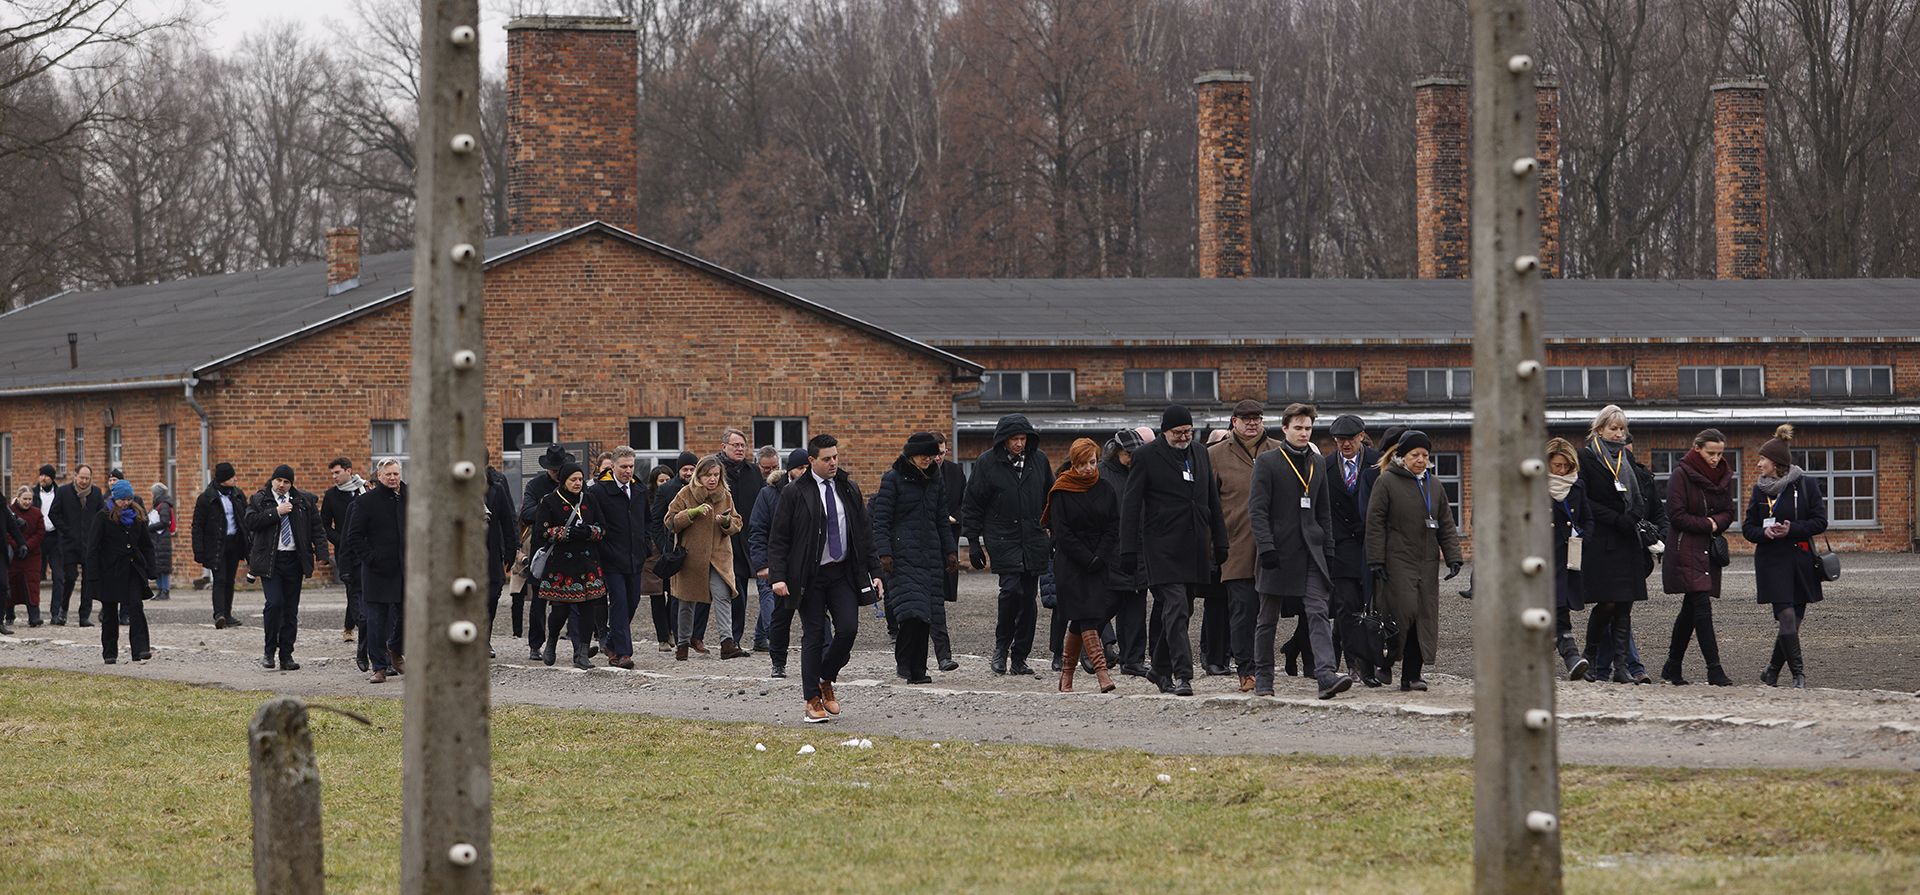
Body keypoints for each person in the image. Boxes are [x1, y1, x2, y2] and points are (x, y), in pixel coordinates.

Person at [768, 433, 882, 723]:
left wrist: (876, 572)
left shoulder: (848, 488)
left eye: (835, 457)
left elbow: (864, 534)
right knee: (814, 635)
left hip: (842, 573)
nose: (833, 463)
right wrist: (778, 577)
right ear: (811, 461)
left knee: (848, 629)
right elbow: (779, 538)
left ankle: (825, 677)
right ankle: (812, 700)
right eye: (826, 459)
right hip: (809, 576)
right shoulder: (795, 492)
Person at [1121, 405, 1229, 697]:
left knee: (1183, 610)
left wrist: (1220, 541)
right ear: (1164, 432)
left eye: (1188, 432)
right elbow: (1131, 506)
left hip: (1194, 547)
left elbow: (1211, 502)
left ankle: (1157, 667)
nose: (1183, 437)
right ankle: (1183, 674)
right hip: (1161, 548)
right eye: (1178, 432)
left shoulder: (1200, 454)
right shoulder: (1145, 457)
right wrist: (1128, 549)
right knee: (1177, 608)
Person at [1248, 403, 1352, 699]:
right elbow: (1257, 511)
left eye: (1308, 428)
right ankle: (1264, 676)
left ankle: (1325, 675)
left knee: (1318, 611)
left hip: (1311, 552)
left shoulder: (1318, 463)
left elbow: (1324, 512)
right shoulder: (1267, 462)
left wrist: (1328, 550)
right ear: (1284, 429)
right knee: (1267, 618)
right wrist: (1266, 547)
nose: (1304, 433)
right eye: (1298, 428)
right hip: (1277, 552)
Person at [1365, 430, 1462, 691]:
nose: (1420, 459)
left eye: (1425, 455)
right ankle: (1384, 663)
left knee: (1423, 617)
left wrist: (1453, 557)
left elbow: (1446, 524)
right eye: (1414, 455)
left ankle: (1411, 675)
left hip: (1427, 562)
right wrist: (1376, 559)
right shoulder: (1386, 483)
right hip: (1397, 559)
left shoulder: (1435, 485)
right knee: (1402, 612)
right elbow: (1374, 523)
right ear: (1402, 457)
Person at [962, 413, 1053, 676]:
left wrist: (1054, 531)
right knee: (1010, 591)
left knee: (1028, 599)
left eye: (1023, 438)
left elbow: (1052, 497)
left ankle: (1020, 656)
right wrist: (973, 542)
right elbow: (973, 503)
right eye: (1014, 438)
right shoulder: (987, 463)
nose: (1019, 444)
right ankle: (1001, 649)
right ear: (1003, 440)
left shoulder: (1039, 461)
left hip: (1033, 537)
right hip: (1003, 537)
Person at [870, 432, 958, 684]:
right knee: (911, 613)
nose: (928, 460)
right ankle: (905, 663)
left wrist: (949, 550)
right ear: (911, 456)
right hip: (901, 556)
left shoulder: (935, 480)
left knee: (926, 615)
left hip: (929, 554)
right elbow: (881, 520)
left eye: (931, 456)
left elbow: (941, 517)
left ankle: (918, 669)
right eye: (923, 456)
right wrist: (884, 553)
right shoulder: (893, 480)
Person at [1576, 405, 1655, 684]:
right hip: (1602, 540)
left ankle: (1621, 668)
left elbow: (1639, 495)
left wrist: (1633, 516)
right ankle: (1590, 656)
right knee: (1607, 603)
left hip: (1626, 540)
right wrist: (1615, 518)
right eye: (1613, 428)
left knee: (1624, 605)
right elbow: (1583, 498)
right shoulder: (1586, 457)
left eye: (1622, 429)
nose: (1619, 433)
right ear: (1599, 430)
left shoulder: (1626, 458)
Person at [1743, 424, 1826, 688]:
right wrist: (1763, 534)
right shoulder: (1759, 490)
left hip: (1801, 562)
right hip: (1771, 563)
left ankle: (1771, 671)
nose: (1758, 464)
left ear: (1776, 463)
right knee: (1787, 618)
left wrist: (1793, 529)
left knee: (1793, 624)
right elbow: (1747, 528)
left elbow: (1820, 521)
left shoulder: (1806, 485)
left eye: (1763, 459)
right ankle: (1799, 675)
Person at [1207, 399, 1282, 692]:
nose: (1252, 423)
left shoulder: (1278, 450)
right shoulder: (1214, 455)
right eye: (1246, 418)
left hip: (1272, 547)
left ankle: (1264, 668)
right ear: (1233, 421)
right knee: (1241, 611)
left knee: (1269, 612)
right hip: (1234, 545)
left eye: (1257, 418)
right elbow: (1207, 504)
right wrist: (1212, 546)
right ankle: (1246, 670)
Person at [1043, 438, 1119, 693]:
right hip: (1071, 563)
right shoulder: (1062, 490)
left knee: (1081, 619)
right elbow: (1061, 533)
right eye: (1083, 464)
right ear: (1073, 464)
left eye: (1093, 462)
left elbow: (1112, 525)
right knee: (1086, 615)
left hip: (1099, 561)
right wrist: (1087, 557)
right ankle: (1102, 673)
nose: (1088, 468)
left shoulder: (1105, 489)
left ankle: (1066, 676)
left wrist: (1100, 555)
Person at [1662, 428, 1737, 686]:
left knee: (1690, 610)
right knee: (1701, 607)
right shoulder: (1681, 475)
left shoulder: (1723, 476)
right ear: (1697, 448)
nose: (1716, 458)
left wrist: (1714, 524)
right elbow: (1675, 514)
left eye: (1719, 453)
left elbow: (1729, 511)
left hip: (1707, 550)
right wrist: (1709, 524)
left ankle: (1672, 666)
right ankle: (1714, 669)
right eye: (1711, 453)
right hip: (1685, 549)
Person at [245, 465, 327, 671]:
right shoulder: (259, 499)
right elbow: (250, 521)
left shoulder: (303, 501)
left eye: (286, 482)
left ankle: (286, 655)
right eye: (278, 480)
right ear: (272, 480)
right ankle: (269, 651)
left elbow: (317, 529)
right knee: (274, 603)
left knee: (290, 609)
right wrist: (275, 512)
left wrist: (322, 553)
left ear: (292, 484)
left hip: (294, 560)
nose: (282, 485)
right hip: (270, 561)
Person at [667, 456, 746, 660]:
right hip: (691, 558)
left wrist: (727, 522)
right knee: (687, 601)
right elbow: (670, 522)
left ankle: (727, 643)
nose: (712, 479)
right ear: (698, 476)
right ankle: (683, 644)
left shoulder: (725, 496)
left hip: (718, 557)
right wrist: (691, 513)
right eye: (707, 475)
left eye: (716, 475)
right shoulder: (685, 493)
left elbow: (737, 523)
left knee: (723, 596)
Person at [1324, 414, 1381, 685]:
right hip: (1342, 545)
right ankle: (1354, 663)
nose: (1345, 444)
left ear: (1362, 436)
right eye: (1339, 440)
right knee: (1346, 606)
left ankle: (1373, 663)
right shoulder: (1325, 467)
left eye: (1350, 438)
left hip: (1370, 543)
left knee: (1371, 605)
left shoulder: (1378, 463)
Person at [535, 462, 608, 669]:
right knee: (560, 610)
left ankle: (582, 653)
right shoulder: (549, 501)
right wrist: (566, 533)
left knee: (588, 609)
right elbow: (542, 532)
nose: (577, 483)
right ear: (563, 481)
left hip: (587, 564)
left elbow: (603, 529)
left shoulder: (590, 499)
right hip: (561, 565)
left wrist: (589, 532)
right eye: (573, 480)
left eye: (580, 479)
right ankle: (551, 642)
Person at [750, 449, 814, 677]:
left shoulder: (817, 491)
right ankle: (778, 662)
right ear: (790, 470)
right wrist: (762, 565)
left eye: (808, 468)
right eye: (800, 469)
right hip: (780, 565)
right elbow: (758, 531)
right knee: (780, 617)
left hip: (810, 565)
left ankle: (823, 659)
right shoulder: (769, 494)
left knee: (817, 615)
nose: (805, 473)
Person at [587, 446, 652, 669]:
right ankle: (624, 653)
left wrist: (644, 547)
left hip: (635, 558)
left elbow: (646, 521)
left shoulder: (640, 490)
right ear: (613, 466)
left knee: (632, 601)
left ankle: (611, 644)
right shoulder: (600, 492)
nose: (627, 471)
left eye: (631, 466)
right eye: (623, 466)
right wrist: (604, 550)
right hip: (611, 559)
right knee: (620, 603)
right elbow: (595, 524)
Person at [345, 458, 407, 682]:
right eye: (388, 474)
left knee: (408, 614)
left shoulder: (409, 497)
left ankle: (395, 648)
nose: (392, 478)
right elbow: (354, 536)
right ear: (379, 476)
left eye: (396, 474)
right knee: (375, 620)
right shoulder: (367, 501)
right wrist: (371, 559)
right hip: (377, 571)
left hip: (405, 569)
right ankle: (379, 667)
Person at [1100, 427, 1153, 677]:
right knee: (1105, 606)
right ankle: (1087, 649)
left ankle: (1133, 660)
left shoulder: (1143, 473)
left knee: (1136, 609)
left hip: (1140, 549)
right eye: (1129, 455)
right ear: (1117, 453)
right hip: (1110, 552)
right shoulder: (1102, 476)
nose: (1133, 459)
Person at [520, 444, 576, 662]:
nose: (557, 473)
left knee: (573, 598)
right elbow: (526, 513)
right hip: (543, 549)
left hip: (568, 549)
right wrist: (550, 509)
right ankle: (535, 644)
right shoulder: (536, 485)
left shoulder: (572, 485)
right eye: (554, 470)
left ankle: (576, 643)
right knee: (538, 601)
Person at [90, 479, 154, 664]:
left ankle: (140, 649)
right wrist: (93, 575)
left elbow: (146, 545)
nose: (126, 502)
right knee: (110, 611)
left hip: (132, 569)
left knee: (136, 607)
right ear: (115, 498)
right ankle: (110, 652)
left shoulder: (138, 516)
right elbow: (93, 547)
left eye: (129, 499)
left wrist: (151, 568)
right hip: (109, 571)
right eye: (122, 499)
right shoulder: (103, 517)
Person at [1546, 438, 1593, 681]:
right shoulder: (1535, 486)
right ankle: (1571, 655)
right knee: (1548, 609)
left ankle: (1571, 655)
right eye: (1556, 465)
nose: (1561, 470)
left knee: (1560, 606)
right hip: (1542, 558)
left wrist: (1582, 536)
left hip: (1568, 557)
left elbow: (1588, 518)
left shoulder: (1577, 487)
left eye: (1565, 465)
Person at [653, 450, 704, 651]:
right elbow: (657, 520)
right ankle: (672, 634)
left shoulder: (702, 489)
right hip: (673, 550)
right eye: (685, 469)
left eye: (692, 469)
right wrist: (663, 546)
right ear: (679, 470)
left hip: (698, 549)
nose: (689, 473)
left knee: (696, 594)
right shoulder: (667, 490)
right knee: (673, 594)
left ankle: (693, 635)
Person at [719, 427, 763, 650]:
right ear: (723, 446)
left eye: (742, 445)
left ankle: (733, 639)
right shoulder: (715, 470)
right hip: (720, 540)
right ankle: (689, 638)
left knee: (741, 591)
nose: (739, 449)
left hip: (745, 540)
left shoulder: (753, 472)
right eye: (735, 445)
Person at [192, 462, 250, 629]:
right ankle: (219, 614)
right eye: (232, 477)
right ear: (223, 479)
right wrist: (199, 550)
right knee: (220, 579)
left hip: (234, 542)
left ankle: (228, 613)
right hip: (216, 544)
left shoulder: (238, 495)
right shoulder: (207, 498)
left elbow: (244, 519)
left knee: (230, 580)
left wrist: (247, 544)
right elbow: (198, 525)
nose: (235, 479)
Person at [322, 458, 370, 650]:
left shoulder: (364, 490)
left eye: (337, 472)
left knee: (365, 588)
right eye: (332, 473)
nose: (334, 477)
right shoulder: (331, 496)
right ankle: (357, 626)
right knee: (353, 589)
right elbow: (325, 525)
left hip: (366, 548)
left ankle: (351, 625)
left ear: (349, 471)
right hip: (346, 551)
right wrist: (341, 540)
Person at [49, 463, 104, 626]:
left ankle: (84, 615)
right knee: (70, 578)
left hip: (89, 544)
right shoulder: (64, 492)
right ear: (75, 476)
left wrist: (97, 534)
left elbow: (102, 515)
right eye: (82, 478)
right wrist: (66, 530)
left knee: (89, 580)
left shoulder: (96, 493)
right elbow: (53, 513)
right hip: (69, 543)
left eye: (87, 478)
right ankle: (63, 610)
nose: (84, 482)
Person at [930, 433, 965, 671]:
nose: (939, 458)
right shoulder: (908, 476)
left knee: (936, 603)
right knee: (918, 609)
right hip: (918, 549)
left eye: (943, 453)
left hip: (945, 544)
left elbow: (965, 502)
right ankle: (909, 659)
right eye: (935, 453)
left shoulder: (954, 473)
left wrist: (954, 518)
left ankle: (944, 655)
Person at [642, 464, 676, 651]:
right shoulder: (648, 500)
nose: (665, 484)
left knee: (673, 594)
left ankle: (671, 631)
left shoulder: (676, 498)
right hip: (653, 553)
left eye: (667, 480)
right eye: (661, 480)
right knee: (656, 596)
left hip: (671, 550)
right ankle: (662, 637)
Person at [484, 465, 517, 658]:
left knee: (491, 596)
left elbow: (508, 519)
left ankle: (484, 638)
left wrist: (511, 551)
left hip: (491, 551)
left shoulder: (496, 488)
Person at [7, 486, 46, 628]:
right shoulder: (10, 511)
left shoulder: (36, 513)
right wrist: (17, 546)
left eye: (30, 499)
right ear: (18, 498)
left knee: (32, 584)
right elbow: (6, 532)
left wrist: (27, 546)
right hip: (13, 555)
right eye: (25, 499)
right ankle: (9, 614)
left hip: (32, 555)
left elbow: (40, 533)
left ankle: (34, 616)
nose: (27, 502)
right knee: (11, 583)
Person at [147, 484, 175, 601]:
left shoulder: (163, 505)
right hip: (158, 539)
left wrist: (149, 527)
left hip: (161, 539)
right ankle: (160, 590)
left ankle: (165, 590)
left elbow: (164, 522)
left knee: (163, 567)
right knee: (158, 566)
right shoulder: (159, 505)